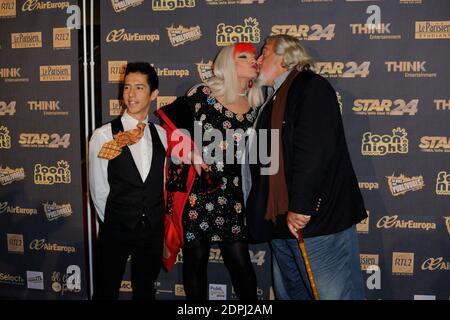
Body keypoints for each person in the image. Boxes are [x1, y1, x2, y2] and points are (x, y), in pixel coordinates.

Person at [244, 35, 367, 300]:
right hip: (280, 224)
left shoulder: (312, 88)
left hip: (314, 222)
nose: (258, 59)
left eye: (264, 53)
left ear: (285, 57)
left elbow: (315, 152)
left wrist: (301, 207)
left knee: (334, 295)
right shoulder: (272, 100)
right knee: (292, 294)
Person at [155, 43, 261, 300]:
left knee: (240, 261)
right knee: (196, 258)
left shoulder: (257, 107)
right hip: (199, 193)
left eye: (255, 56)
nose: (254, 60)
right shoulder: (202, 95)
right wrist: (190, 152)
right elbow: (171, 126)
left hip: (235, 197)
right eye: (244, 57)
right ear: (228, 64)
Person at [89, 62, 167, 300]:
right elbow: (98, 187)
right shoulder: (103, 135)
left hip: (152, 229)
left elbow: (160, 180)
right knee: (106, 290)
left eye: (139, 88)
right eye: (126, 87)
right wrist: (117, 218)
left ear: (154, 94)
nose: (131, 95)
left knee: (146, 290)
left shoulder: (161, 134)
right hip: (116, 228)